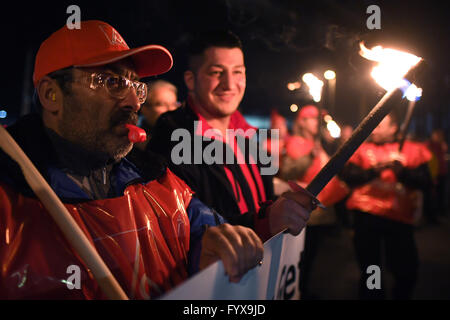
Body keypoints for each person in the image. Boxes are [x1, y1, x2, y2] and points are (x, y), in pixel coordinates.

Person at [0, 20, 266, 299]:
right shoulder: (12, 197)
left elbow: (206, 231)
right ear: (51, 95)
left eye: (136, 86)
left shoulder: (159, 182)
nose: (134, 102)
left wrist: (220, 244)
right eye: (112, 82)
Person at [144, 30, 314, 244]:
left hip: (261, 268)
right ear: (190, 80)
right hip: (217, 275)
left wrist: (285, 202)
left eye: (238, 72)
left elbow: (260, 198)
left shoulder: (248, 134)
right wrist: (262, 223)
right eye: (216, 73)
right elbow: (180, 229)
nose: (230, 84)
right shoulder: (173, 136)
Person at [339, 113, 433, 299]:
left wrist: (402, 172)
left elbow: (426, 182)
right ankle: (372, 296)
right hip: (367, 219)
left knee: (405, 270)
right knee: (371, 269)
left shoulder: (413, 149)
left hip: (399, 220)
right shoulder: (361, 149)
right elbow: (349, 177)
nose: (374, 129)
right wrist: (375, 170)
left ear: (394, 128)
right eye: (374, 125)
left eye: (380, 126)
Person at [279, 104, 348, 299]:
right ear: (302, 121)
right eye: (313, 119)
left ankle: (303, 288)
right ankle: (296, 291)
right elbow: (289, 172)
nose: (317, 123)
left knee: (311, 256)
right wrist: (310, 156)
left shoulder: (319, 143)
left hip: (319, 212)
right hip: (303, 211)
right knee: (300, 256)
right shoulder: (295, 142)